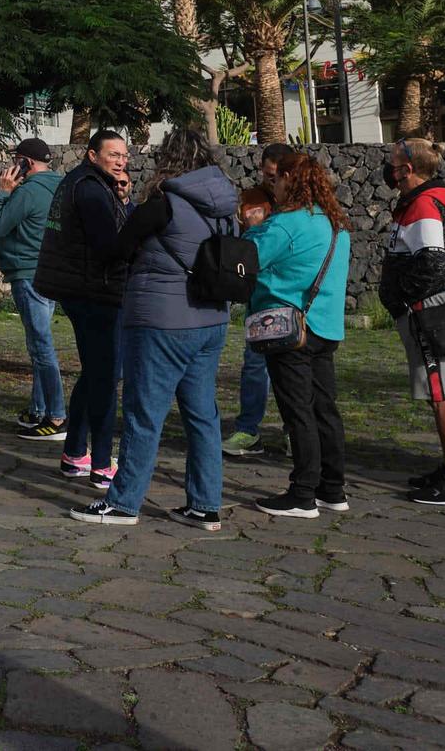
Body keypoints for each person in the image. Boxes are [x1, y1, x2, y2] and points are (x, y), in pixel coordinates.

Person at [73, 128, 236, 531]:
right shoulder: (226, 207)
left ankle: (125, 501)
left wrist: (125, 206)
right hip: (211, 319)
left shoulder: (163, 205)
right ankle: (204, 505)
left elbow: (116, 249)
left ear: (171, 161)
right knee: (202, 416)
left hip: (161, 322)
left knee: (144, 414)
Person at [245, 154, 351, 518]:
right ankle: (332, 489)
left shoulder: (287, 224)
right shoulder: (336, 223)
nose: (272, 186)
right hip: (326, 326)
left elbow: (247, 256)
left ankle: (302, 493)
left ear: (290, 178)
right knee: (325, 409)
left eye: (276, 180)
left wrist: (250, 225)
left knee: (298, 411)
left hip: (289, 328)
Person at [381, 136, 445, 506]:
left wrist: (403, 298)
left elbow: (433, 262)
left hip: (425, 311)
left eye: (392, 163)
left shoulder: (423, 204)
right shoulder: (417, 203)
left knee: (442, 394)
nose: (388, 170)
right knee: (436, 393)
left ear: (407, 169)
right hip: (420, 309)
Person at [33, 128, 130, 490]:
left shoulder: (83, 182)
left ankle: (75, 452)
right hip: (96, 292)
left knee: (95, 373)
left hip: (80, 288)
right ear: (93, 155)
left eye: (124, 155)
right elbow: (110, 244)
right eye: (113, 154)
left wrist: (120, 198)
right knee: (105, 378)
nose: (120, 161)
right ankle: (102, 462)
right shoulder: (90, 190)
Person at [0, 138, 67, 441]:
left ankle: (57, 416)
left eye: (17, 161)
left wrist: (4, 193)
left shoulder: (27, 191)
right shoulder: (61, 187)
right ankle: (38, 408)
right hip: (51, 273)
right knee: (39, 343)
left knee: (41, 347)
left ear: (25, 162)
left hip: (27, 272)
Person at [224, 143, 295, 458]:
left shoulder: (301, 202)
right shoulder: (250, 200)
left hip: (294, 293)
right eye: (268, 175)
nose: (273, 181)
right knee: (255, 366)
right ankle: (247, 430)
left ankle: (296, 429)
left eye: (278, 176)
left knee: (296, 369)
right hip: (261, 296)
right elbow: (240, 250)